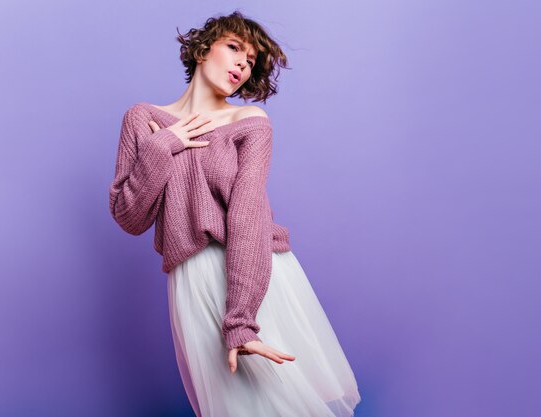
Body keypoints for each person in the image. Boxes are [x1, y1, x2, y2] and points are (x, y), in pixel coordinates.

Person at [109, 10, 361, 417]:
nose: (243, 64)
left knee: (282, 404)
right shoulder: (144, 119)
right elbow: (129, 217)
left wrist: (241, 320)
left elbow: (248, 217)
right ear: (203, 48)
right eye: (234, 48)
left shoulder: (250, 121)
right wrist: (164, 146)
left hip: (253, 271)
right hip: (191, 277)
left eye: (252, 61)